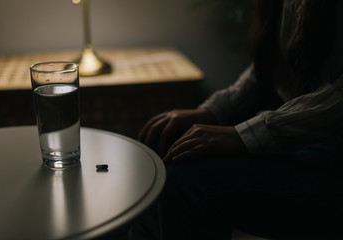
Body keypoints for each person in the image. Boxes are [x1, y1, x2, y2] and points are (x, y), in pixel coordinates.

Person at [130, 0, 343, 239]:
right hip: (296, 143)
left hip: (331, 159)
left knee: (185, 179)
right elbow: (266, 70)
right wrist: (212, 111)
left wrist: (244, 135)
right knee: (157, 141)